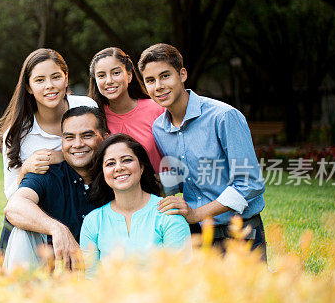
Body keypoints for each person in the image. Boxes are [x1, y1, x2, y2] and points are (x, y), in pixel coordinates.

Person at [138, 43, 267, 259]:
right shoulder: (159, 128)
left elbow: (249, 183)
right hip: (196, 237)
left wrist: (196, 213)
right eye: (150, 80)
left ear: (182, 74)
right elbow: (179, 180)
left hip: (240, 233)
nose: (158, 86)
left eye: (165, 76)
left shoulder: (223, 117)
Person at [0, 48, 97, 251]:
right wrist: (25, 170)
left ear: (66, 78)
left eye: (56, 77)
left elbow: (101, 150)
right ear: (29, 87)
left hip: (86, 201)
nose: (50, 86)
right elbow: (13, 198)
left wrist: (60, 155)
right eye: (39, 80)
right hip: (44, 210)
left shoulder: (86, 107)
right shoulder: (17, 135)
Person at [3, 106, 107, 271]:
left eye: (87, 136)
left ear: (104, 138)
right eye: (69, 137)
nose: (78, 144)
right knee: (22, 232)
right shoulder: (47, 173)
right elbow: (14, 207)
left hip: (102, 280)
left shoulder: (115, 175)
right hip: (50, 274)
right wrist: (56, 228)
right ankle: (19, 292)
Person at [80, 134, 191, 277]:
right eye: (110, 163)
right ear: (103, 173)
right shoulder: (93, 221)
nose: (119, 168)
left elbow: (180, 276)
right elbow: (88, 279)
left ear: (142, 167)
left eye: (127, 160)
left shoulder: (168, 213)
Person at [88, 47, 165, 172]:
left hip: (161, 189)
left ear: (129, 75)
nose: (109, 81)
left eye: (116, 73)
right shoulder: (94, 118)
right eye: (101, 75)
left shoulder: (157, 109)